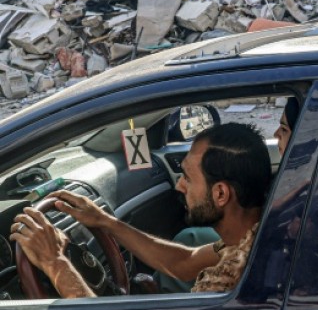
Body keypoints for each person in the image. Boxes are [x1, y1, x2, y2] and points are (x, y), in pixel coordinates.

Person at [10, 123, 271, 298]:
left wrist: (54, 262)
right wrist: (105, 221)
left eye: (188, 178)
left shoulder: (230, 282)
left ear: (221, 194)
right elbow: (183, 263)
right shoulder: (251, 237)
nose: (180, 185)